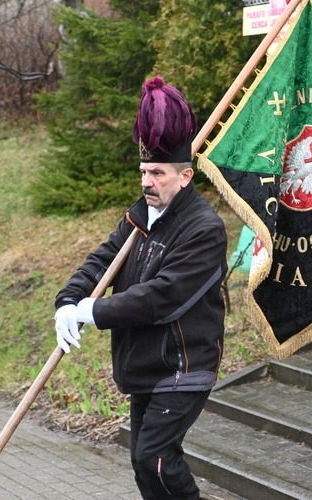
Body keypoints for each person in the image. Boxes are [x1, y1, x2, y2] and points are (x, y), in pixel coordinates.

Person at [54, 76, 228, 499]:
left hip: (183, 366)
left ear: (185, 176)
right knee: (143, 464)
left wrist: (92, 313)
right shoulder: (140, 218)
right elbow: (100, 262)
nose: (147, 181)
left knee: (156, 458)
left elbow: (162, 297)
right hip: (145, 366)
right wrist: (67, 301)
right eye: (144, 171)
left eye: (158, 173)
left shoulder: (205, 230)